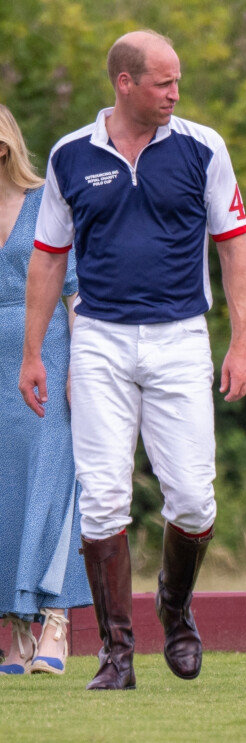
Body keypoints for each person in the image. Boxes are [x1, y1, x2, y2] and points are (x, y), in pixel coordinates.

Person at [19, 30, 246, 691]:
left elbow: (235, 247)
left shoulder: (203, 147)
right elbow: (47, 257)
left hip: (180, 337)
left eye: (177, 81)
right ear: (125, 83)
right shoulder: (70, 157)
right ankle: (116, 652)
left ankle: (175, 608)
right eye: (162, 83)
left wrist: (242, 341)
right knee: (102, 500)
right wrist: (34, 352)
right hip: (98, 339)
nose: (175, 94)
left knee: (193, 498)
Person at [0, 104, 92, 676]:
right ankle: (14, 630)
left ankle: (57, 620)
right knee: (4, 491)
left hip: (46, 353)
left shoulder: (46, 203)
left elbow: (76, 290)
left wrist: (79, 368)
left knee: (55, 481)